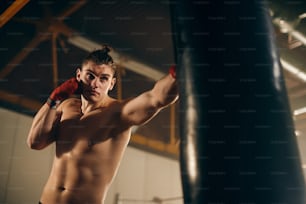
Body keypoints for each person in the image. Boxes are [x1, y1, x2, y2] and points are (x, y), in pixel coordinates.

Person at [26, 45, 179, 204]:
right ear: (78, 75)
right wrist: (54, 99)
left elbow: (156, 99)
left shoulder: (118, 114)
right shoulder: (66, 106)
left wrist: (179, 73)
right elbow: (35, 142)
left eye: (103, 79)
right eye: (90, 76)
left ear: (112, 84)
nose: (95, 84)